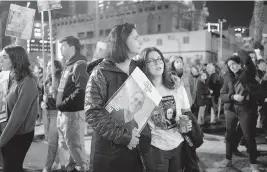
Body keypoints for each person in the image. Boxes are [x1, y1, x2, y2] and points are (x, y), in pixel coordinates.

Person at [84, 23, 149, 172]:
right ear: (122, 41)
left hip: (136, 153)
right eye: (136, 38)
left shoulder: (138, 69)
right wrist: (125, 137)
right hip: (109, 155)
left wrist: (172, 80)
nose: (140, 42)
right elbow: (92, 113)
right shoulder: (101, 72)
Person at [138, 47, 193, 172]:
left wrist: (187, 123)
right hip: (156, 147)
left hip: (178, 144)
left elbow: (186, 111)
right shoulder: (142, 91)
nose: (157, 63)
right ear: (143, 65)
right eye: (151, 61)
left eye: (159, 59)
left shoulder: (176, 85)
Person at [214, 50, 260, 172]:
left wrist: (237, 52)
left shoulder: (248, 73)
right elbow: (222, 95)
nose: (232, 67)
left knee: (248, 136)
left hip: (246, 110)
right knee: (229, 135)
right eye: (229, 65)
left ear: (240, 64)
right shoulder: (227, 77)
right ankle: (228, 160)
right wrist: (232, 97)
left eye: (234, 63)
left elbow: (247, 59)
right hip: (231, 110)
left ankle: (253, 164)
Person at [0, 45, 39, 172]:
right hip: (6, 133)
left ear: (15, 59)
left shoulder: (27, 82)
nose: (0, 60)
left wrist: (1, 141)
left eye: (4, 57)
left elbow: (17, 118)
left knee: (11, 168)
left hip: (18, 135)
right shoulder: (11, 78)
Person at [56, 36, 89, 172]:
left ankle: (84, 168)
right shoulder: (68, 64)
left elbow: (82, 90)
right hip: (64, 113)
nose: (60, 49)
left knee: (75, 147)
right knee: (66, 146)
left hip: (72, 113)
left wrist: (63, 104)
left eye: (63, 47)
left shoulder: (79, 64)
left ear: (72, 48)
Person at [41, 60, 62, 172]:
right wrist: (42, 101)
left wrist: (56, 91)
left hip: (55, 112)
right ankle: (57, 162)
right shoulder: (46, 80)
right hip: (46, 112)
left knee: (52, 142)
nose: (48, 68)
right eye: (47, 66)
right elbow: (43, 95)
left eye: (51, 66)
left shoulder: (59, 77)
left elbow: (61, 96)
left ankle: (47, 167)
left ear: (57, 67)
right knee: (49, 139)